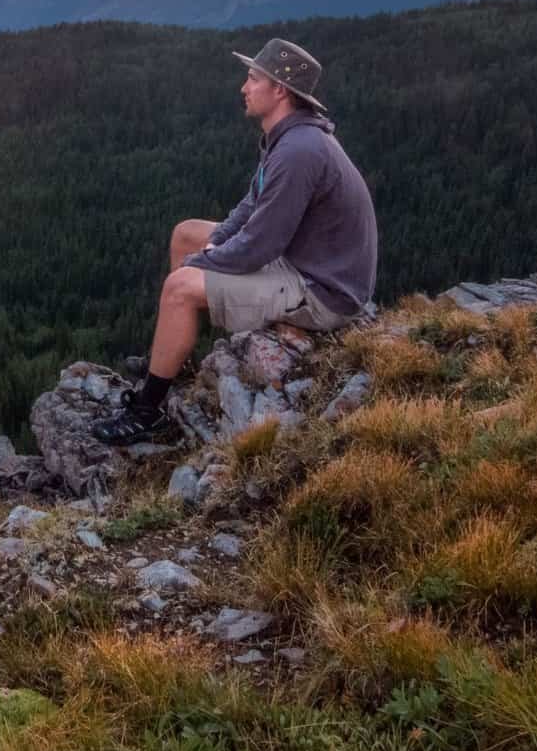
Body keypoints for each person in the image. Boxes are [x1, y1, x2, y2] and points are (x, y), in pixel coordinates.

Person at [92, 38, 378, 446]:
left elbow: (260, 245)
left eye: (252, 78)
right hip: (305, 262)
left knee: (178, 288)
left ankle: (147, 411)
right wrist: (209, 247)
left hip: (322, 291)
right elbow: (250, 207)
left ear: (279, 89)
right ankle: (177, 358)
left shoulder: (299, 151)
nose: (243, 88)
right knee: (186, 232)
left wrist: (206, 263)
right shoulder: (287, 137)